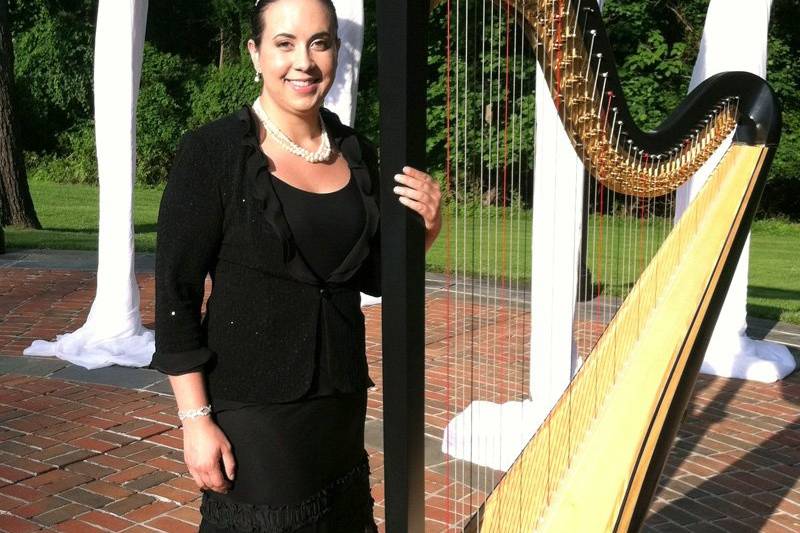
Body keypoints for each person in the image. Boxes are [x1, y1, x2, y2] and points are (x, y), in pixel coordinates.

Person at [149, 0, 442, 531]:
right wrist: (195, 421)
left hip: (340, 402)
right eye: (284, 43)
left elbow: (371, 276)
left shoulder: (356, 150)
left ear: (335, 51)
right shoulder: (212, 151)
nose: (303, 61)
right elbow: (176, 292)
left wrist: (425, 233)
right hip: (253, 407)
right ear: (255, 54)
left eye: (320, 42)